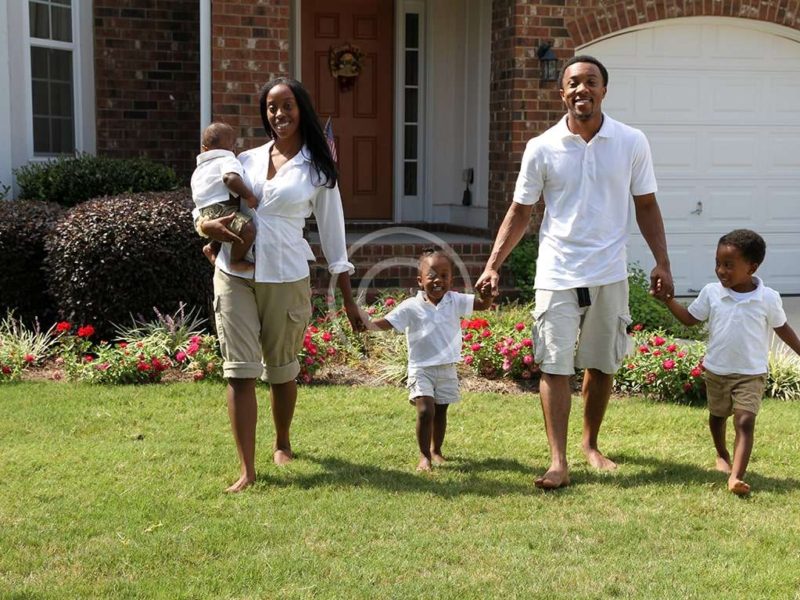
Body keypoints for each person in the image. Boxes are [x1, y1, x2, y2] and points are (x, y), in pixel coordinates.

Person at [476, 55, 674, 489]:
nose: (581, 90)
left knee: (602, 365)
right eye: (573, 84)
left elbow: (646, 204)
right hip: (558, 272)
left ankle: (590, 444)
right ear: (560, 92)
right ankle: (558, 460)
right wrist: (493, 265)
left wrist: (662, 260)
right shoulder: (541, 147)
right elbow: (521, 211)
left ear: (605, 89)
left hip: (609, 271)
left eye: (590, 82)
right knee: (555, 366)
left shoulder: (631, 141)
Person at [199, 77, 363, 492]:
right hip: (234, 273)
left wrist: (349, 302)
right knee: (239, 371)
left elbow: (333, 235)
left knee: (282, 371)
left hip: (287, 275)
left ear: (301, 109)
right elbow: (205, 205)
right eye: (271, 107)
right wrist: (203, 225)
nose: (278, 114)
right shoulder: (244, 159)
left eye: (286, 105)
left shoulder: (318, 167)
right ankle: (247, 470)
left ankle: (283, 440)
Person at [662, 229, 800, 495]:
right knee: (717, 417)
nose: (721, 271)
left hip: (751, 374)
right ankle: (722, 453)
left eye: (728, 265)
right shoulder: (712, 293)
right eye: (718, 263)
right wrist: (668, 300)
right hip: (717, 370)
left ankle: (736, 476)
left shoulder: (768, 298)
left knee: (745, 421)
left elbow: (782, 328)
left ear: (752, 267)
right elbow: (690, 319)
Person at [366, 248, 493, 471]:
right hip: (421, 368)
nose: (438, 281)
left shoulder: (455, 300)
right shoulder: (411, 306)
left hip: (446, 368)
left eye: (444, 276)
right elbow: (388, 321)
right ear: (420, 280)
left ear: (451, 279)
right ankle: (424, 456)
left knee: (441, 411)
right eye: (432, 275)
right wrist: (365, 324)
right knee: (426, 411)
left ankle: (436, 451)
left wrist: (488, 295)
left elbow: (482, 305)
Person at [191, 122, 258, 271]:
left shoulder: (198, 170)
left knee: (228, 228)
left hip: (204, 215)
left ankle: (212, 247)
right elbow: (230, 178)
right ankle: (235, 261)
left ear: (204, 148)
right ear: (232, 147)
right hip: (223, 209)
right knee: (248, 229)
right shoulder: (227, 160)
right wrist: (249, 196)